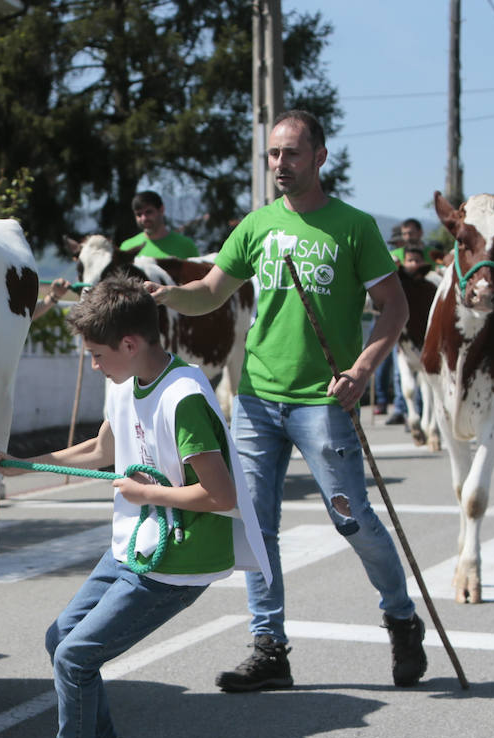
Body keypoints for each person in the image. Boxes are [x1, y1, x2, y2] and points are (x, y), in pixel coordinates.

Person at [148, 109, 427, 691]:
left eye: (292, 153)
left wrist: (361, 371)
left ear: (319, 157)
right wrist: (168, 295)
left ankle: (401, 617)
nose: (280, 164)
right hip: (255, 401)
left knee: (351, 518)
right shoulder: (257, 226)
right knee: (254, 526)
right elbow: (208, 293)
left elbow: (394, 308)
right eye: (273, 154)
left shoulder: (354, 227)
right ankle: (269, 646)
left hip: (325, 402)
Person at [0, 274, 270, 738]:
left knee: (74, 657)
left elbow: (220, 492)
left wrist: (147, 492)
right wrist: (16, 463)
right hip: (136, 544)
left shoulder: (183, 397)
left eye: (95, 354)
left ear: (130, 345)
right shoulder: (124, 380)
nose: (91, 365)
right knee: (61, 637)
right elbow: (101, 449)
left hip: (176, 560)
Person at [380, 218, 433, 426]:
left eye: (411, 232)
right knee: (397, 367)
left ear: (420, 233)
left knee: (426, 373)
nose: (408, 236)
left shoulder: (430, 254)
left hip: (424, 320)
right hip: (400, 323)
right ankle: (401, 408)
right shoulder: (394, 258)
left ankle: (419, 411)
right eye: (405, 233)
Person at [119, 190, 198, 260]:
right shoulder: (127, 248)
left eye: (148, 212)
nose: (144, 218)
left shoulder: (186, 246)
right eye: (139, 214)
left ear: (161, 210)